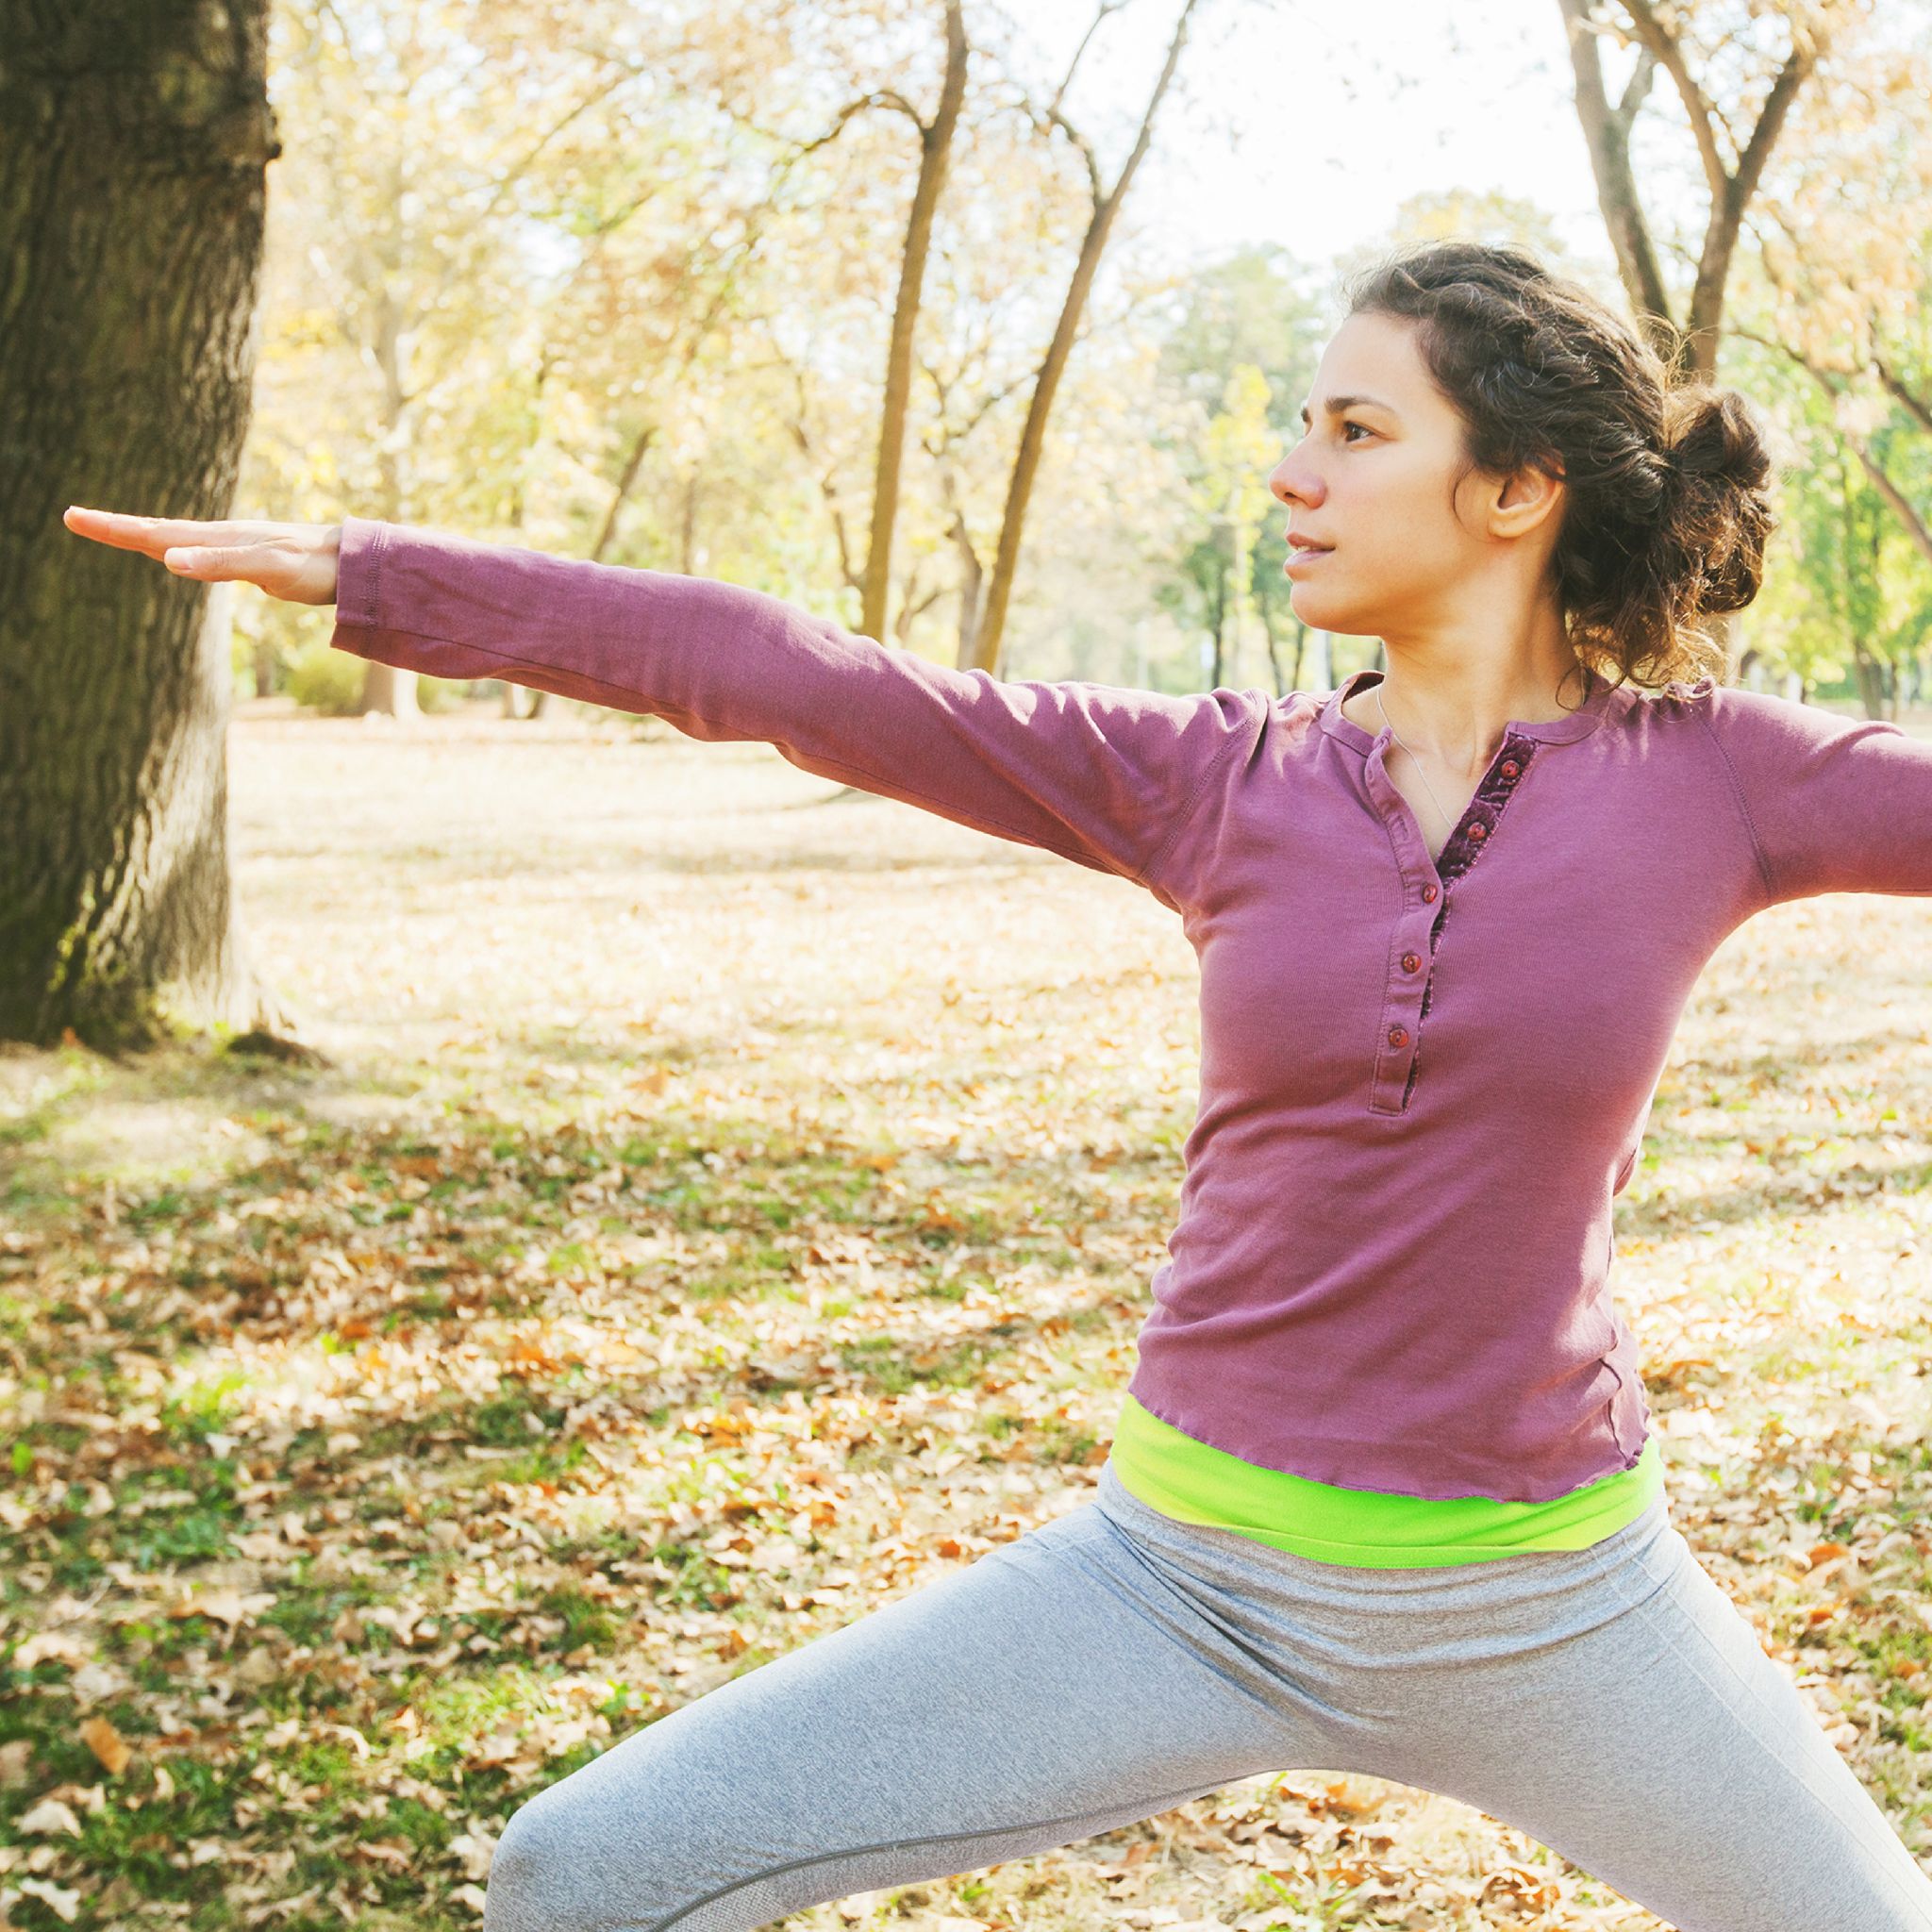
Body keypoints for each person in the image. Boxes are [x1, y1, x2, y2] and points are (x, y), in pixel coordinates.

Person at [65, 238, 1932, 1932]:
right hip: (1177, 1577)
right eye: (1300, 423)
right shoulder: (1210, 778)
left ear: (1518, 488)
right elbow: (792, 674)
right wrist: (378, 574)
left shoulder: (1720, 780)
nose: (1290, 471)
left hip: (1552, 1605)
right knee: (583, 1869)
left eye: (1356, 429)